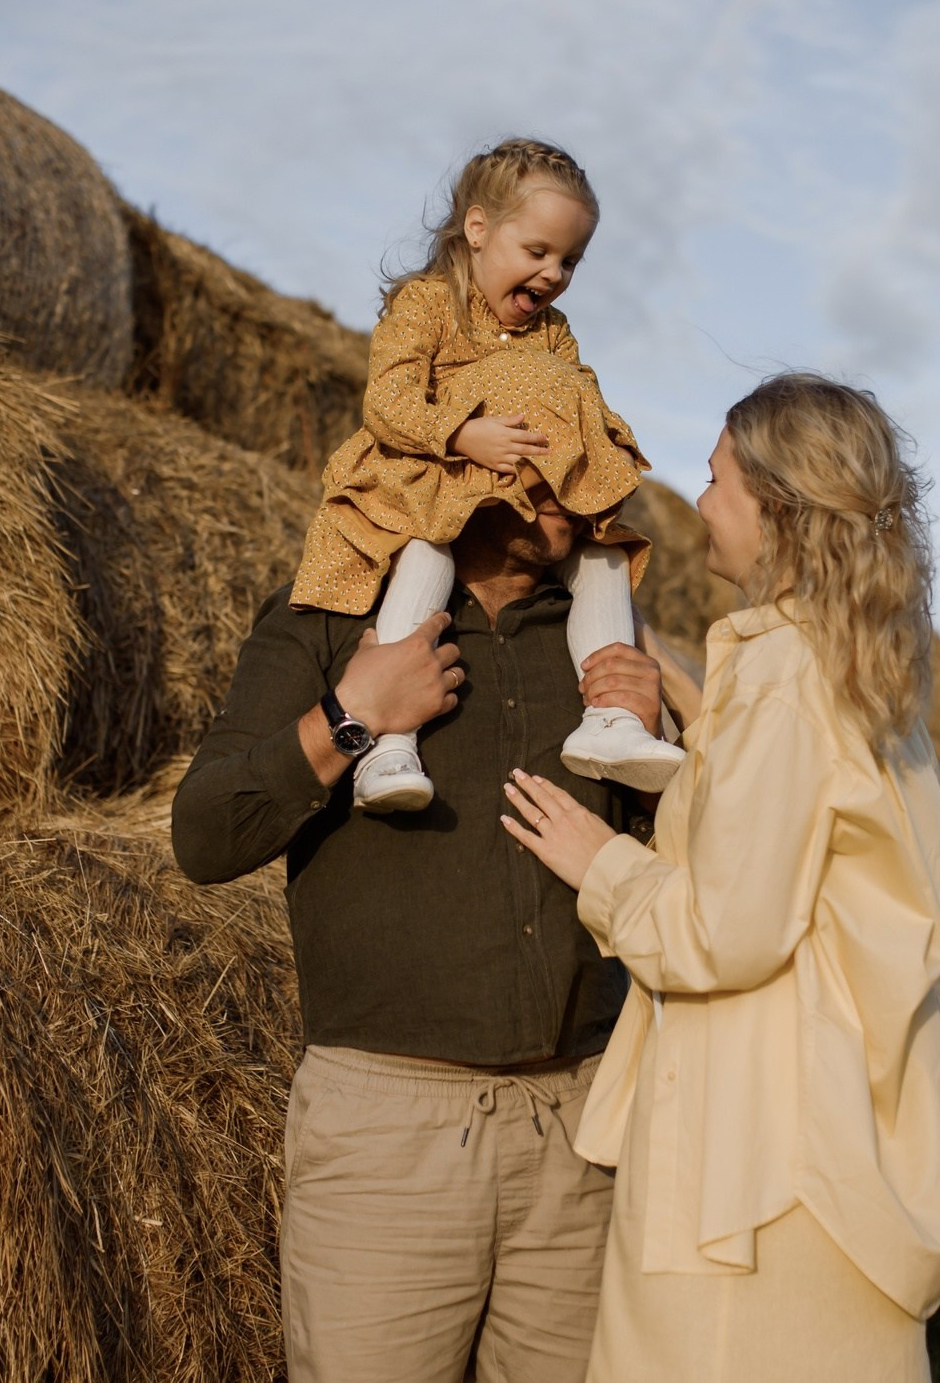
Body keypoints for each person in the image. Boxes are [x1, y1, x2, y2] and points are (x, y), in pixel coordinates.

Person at [501, 372, 940, 1383]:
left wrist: (603, 867)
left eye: (719, 478)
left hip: (751, 1164)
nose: (699, 501)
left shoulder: (785, 683)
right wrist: (699, 718)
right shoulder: (864, 673)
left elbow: (725, 932)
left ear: (778, 510)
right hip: (834, 1142)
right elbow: (801, 861)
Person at [172, 464, 672, 1383]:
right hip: (389, 1137)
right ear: (460, 463)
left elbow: (687, 888)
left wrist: (663, 745)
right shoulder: (327, 620)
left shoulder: (604, 643)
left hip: (583, 1135)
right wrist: (352, 715)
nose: (580, 483)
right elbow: (205, 833)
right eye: (547, 461)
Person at [291, 137, 685, 814]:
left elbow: (571, 397)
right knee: (428, 545)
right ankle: (389, 745)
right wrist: (463, 431)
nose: (555, 273)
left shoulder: (554, 332)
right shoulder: (427, 303)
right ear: (478, 229)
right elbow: (385, 400)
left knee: (602, 557)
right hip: (431, 476)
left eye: (570, 260)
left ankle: (611, 719)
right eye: (538, 252)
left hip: (522, 494)